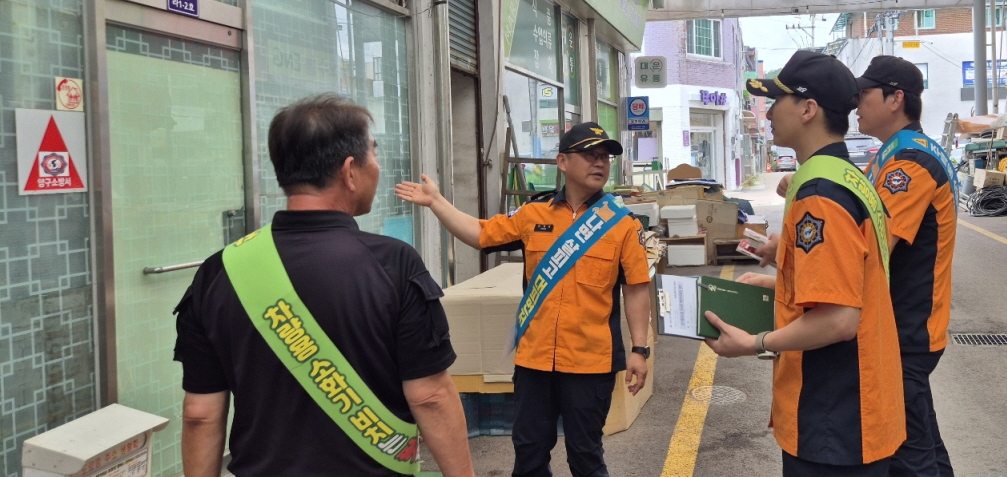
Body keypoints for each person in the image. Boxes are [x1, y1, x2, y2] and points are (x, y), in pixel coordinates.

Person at [175, 94, 474, 477]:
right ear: (350, 171)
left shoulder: (219, 271)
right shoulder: (393, 264)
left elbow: (199, 414)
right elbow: (430, 396)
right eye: (373, 154)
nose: (377, 166)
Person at [395, 122, 651, 477]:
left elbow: (636, 287)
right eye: (590, 154)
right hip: (535, 361)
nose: (600, 163)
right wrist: (436, 203)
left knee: (586, 455)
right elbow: (482, 234)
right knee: (529, 452)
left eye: (605, 157)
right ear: (562, 162)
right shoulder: (534, 213)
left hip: (591, 362)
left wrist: (640, 349)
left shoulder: (621, 223)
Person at [705, 50, 905, 476]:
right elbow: (852, 284)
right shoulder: (847, 178)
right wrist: (782, 287)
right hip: (855, 405)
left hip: (836, 414)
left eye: (777, 100)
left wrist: (754, 343)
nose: (768, 112)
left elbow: (838, 320)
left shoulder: (821, 195)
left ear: (808, 109)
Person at [853, 56, 957, 477]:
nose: (856, 104)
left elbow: (873, 244)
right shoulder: (894, 154)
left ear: (896, 99)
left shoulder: (910, 164)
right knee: (922, 442)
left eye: (864, 94)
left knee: (905, 456)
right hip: (904, 325)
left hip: (905, 329)